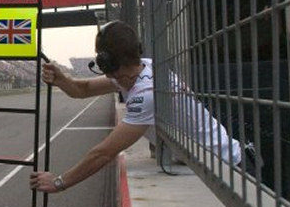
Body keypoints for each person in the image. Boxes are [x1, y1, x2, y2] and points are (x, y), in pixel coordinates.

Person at [29, 20, 256, 194]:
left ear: (105, 61)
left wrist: (59, 182)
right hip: (220, 164)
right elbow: (84, 89)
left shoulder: (146, 93)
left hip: (228, 170)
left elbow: (103, 153)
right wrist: (62, 80)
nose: (115, 79)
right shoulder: (141, 68)